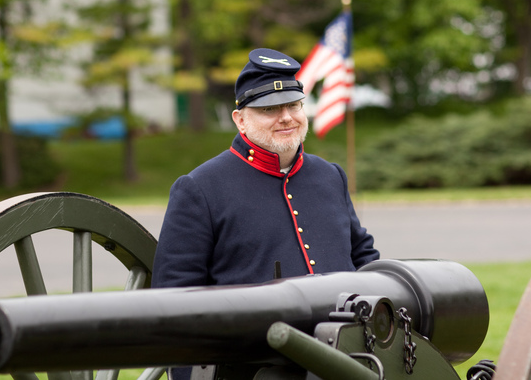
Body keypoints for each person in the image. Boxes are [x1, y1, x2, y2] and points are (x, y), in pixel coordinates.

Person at [151, 47, 379, 379]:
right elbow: (175, 302)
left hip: (348, 360)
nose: (286, 117)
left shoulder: (330, 176)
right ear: (240, 119)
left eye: (292, 105)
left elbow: (364, 257)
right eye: (269, 109)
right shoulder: (200, 188)